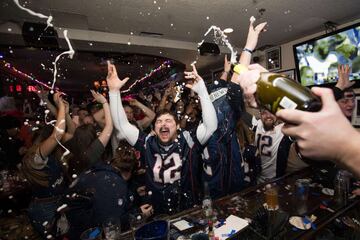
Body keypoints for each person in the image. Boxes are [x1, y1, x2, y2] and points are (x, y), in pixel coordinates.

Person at [107, 61, 217, 215]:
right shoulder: (148, 143)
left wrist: (203, 92)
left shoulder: (188, 140)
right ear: (155, 128)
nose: (163, 124)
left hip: (188, 208)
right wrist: (113, 92)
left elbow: (211, 126)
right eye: (159, 121)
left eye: (168, 121)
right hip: (157, 211)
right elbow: (122, 126)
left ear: (178, 126)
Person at [231, 64, 360, 178]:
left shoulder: (281, 129)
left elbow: (309, 110)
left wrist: (345, 147)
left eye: (270, 112)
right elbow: (239, 112)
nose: (268, 116)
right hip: (259, 178)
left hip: (277, 178)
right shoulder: (257, 124)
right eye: (264, 112)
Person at [60, 140, 153, 239]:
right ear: (130, 172)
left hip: (72, 223)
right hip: (85, 234)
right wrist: (138, 214)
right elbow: (110, 225)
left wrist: (134, 193)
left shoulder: (105, 168)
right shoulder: (114, 185)